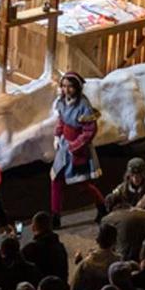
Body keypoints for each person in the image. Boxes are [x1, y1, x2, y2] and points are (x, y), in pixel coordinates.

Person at [50, 72, 107, 229]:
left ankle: (102, 206)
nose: (66, 90)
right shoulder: (62, 102)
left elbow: (89, 131)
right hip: (64, 147)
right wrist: (57, 136)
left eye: (70, 87)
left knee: (81, 184)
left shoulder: (84, 106)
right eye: (64, 86)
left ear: (77, 88)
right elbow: (61, 120)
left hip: (78, 150)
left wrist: (75, 146)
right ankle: (55, 216)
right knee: (56, 180)